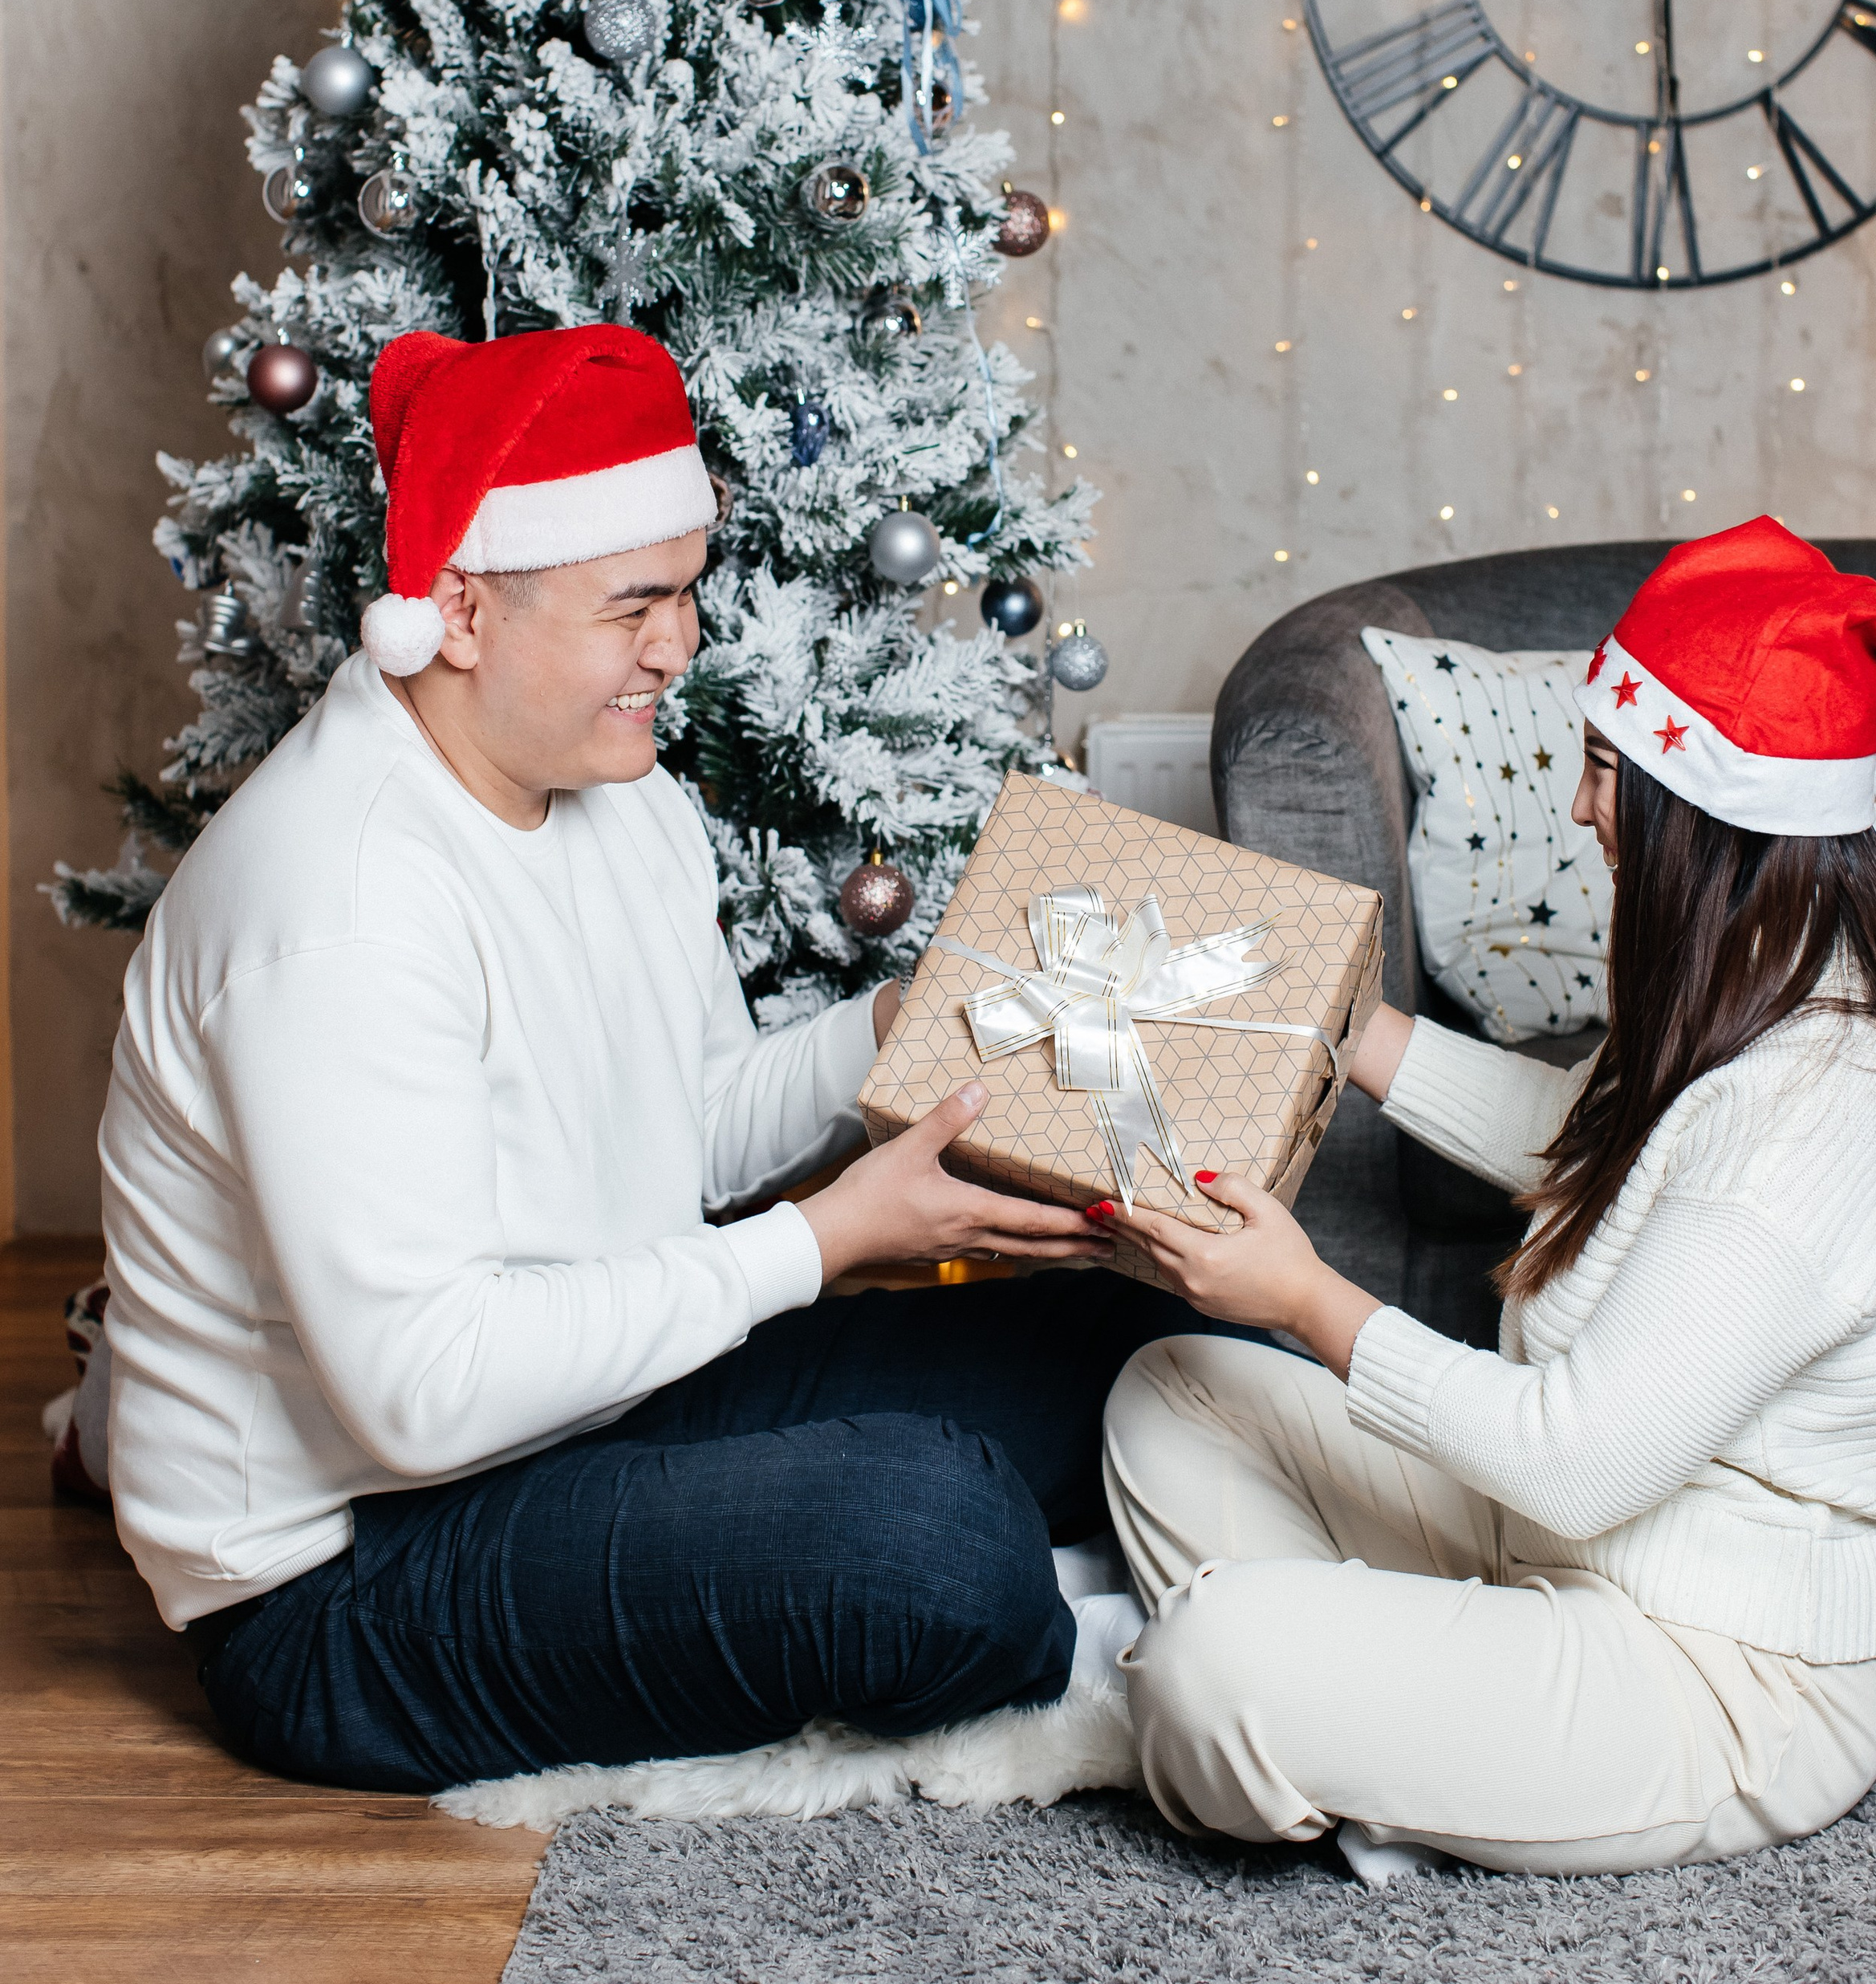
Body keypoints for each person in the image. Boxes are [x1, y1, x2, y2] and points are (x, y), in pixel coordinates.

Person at [97, 321, 1202, 1793]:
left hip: (597, 1409)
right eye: (636, 604)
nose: (680, 645)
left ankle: (1097, 1565)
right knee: (933, 1540)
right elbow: (423, 1391)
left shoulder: (622, 792)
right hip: (340, 1577)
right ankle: (1152, 1637)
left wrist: (894, 1024)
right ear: (467, 609)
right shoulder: (339, 904)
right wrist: (819, 1246)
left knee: (1161, 1355)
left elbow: (684, 1130)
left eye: (686, 592)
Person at [1086, 517, 1876, 1880]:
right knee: (1173, 1389)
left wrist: (1310, 1302)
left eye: (1602, 773)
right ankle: (1417, 1744)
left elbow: (1576, 1460)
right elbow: (1589, 1150)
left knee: (1212, 1666)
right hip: (1560, 1556)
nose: (1579, 810)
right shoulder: (1746, 970)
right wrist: (1346, 1030)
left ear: (1705, 811)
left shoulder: (1823, 1112)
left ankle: (1375, 1729)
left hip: (1713, 1672)